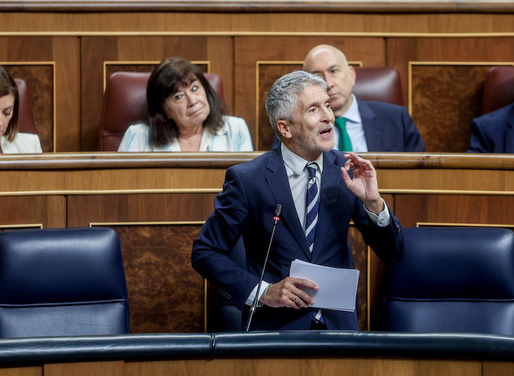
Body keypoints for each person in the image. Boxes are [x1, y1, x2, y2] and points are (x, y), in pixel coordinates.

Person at [191, 70, 404, 330]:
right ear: (285, 127)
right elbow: (205, 252)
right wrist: (263, 292)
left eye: (327, 104)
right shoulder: (249, 179)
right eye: (314, 109)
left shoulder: (348, 170)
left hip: (337, 330)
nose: (328, 115)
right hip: (275, 330)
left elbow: (393, 252)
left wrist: (374, 203)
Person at [302, 44, 425, 152]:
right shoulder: (299, 127)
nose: (328, 84)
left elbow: (419, 173)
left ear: (351, 75)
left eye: (334, 71)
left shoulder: (397, 120)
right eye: (317, 77)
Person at [118, 57, 252, 152]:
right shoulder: (137, 136)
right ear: (165, 111)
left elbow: (248, 188)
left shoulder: (235, 130)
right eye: (179, 96)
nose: (193, 101)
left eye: (194, 88)